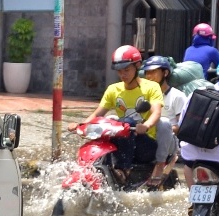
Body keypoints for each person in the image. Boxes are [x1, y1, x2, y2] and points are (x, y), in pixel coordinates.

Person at [69, 45, 164, 182]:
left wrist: (146, 125)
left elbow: (156, 112)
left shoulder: (151, 87)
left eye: (127, 70)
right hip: (124, 141)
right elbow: (98, 114)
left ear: (137, 66)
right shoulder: (113, 89)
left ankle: (123, 169)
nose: (123, 75)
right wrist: (80, 125)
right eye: (119, 71)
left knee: (127, 122)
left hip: (145, 145)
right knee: (108, 124)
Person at [141, 55, 188, 185]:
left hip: (169, 142)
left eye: (153, 72)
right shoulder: (143, 95)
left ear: (165, 73)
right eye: (146, 72)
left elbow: (181, 126)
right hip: (147, 138)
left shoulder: (177, 96)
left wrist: (154, 127)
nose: (149, 76)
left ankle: (160, 164)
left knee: (163, 123)